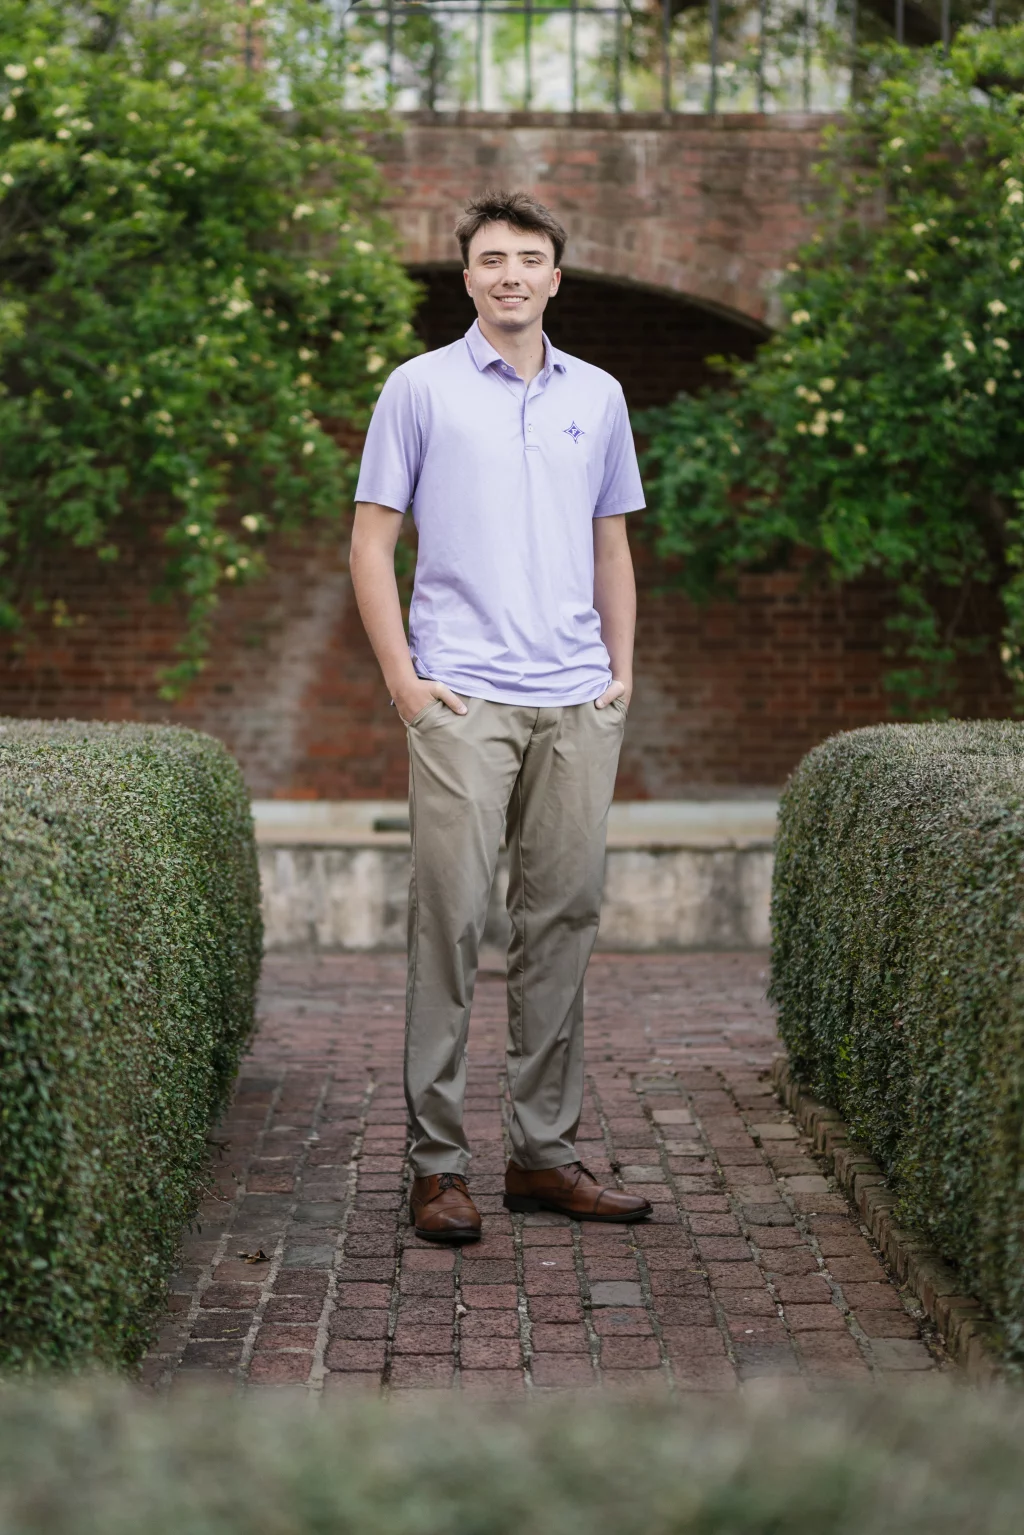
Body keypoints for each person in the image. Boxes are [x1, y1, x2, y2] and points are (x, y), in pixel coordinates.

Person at [350, 189, 652, 1243]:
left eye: (529, 257)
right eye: (491, 258)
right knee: (451, 925)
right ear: (467, 276)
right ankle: (437, 1164)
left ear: (555, 276)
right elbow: (370, 542)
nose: (511, 273)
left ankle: (543, 1154)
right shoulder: (419, 388)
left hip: (576, 699)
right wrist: (406, 682)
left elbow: (612, 541)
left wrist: (620, 673)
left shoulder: (600, 396)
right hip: (462, 699)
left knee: (560, 921)